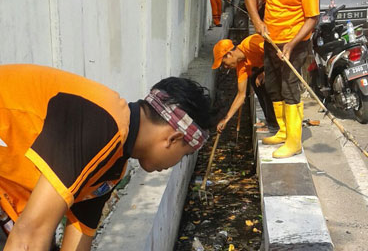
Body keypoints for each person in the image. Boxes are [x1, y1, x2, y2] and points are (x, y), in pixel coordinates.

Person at [0, 64, 211, 250]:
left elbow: (80, 231)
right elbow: (28, 237)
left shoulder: (113, 164)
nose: (174, 164)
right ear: (173, 138)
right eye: (184, 155)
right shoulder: (104, 124)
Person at [244, 0, 320, 159]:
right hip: (270, 38)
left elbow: (312, 18)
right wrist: (257, 21)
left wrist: (291, 44)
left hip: (295, 42)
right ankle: (283, 130)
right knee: (272, 85)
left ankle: (294, 141)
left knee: (289, 86)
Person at [211, 34, 278, 133]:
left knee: (264, 82)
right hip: (269, 66)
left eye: (224, 63)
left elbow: (274, 52)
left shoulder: (250, 44)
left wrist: (265, 73)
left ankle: (274, 124)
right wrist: (226, 119)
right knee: (254, 81)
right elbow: (241, 95)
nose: (225, 67)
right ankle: (269, 119)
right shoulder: (241, 66)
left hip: (280, 62)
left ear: (229, 54)